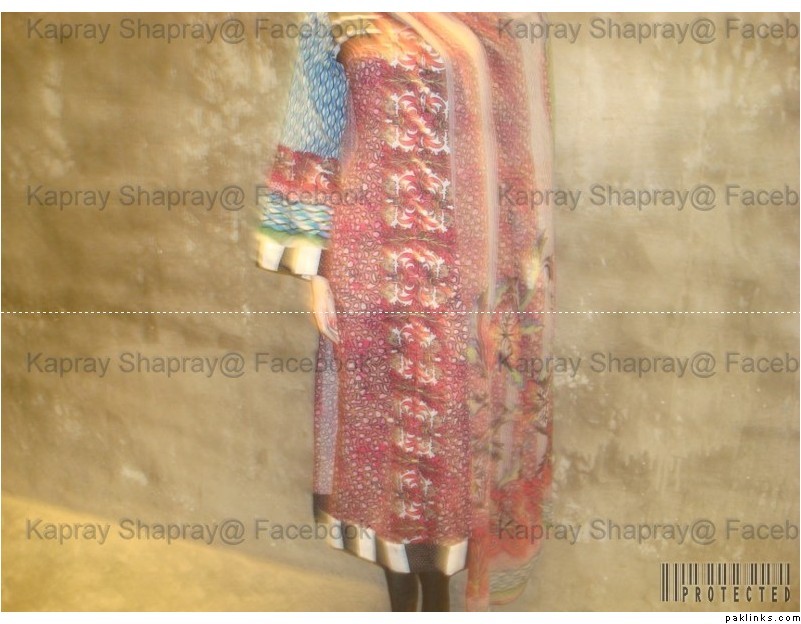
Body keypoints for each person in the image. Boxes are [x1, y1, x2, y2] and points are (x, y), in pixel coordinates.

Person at [255, 12, 555, 611]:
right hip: (365, 261)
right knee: (376, 433)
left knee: (445, 438)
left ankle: (438, 597)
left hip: (461, 274)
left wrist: (517, 258)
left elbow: (513, 140)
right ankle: (398, 596)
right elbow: (314, 129)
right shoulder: (336, 16)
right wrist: (316, 272)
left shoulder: (491, 17)